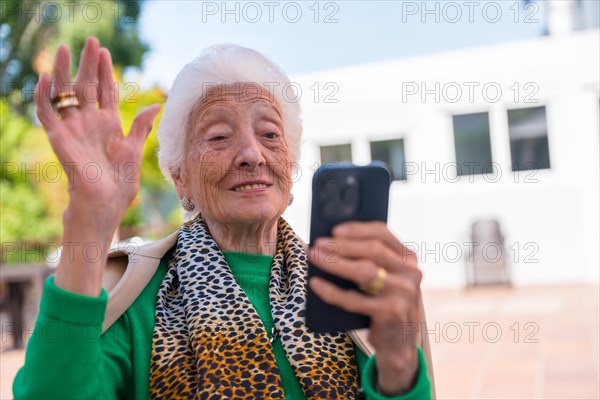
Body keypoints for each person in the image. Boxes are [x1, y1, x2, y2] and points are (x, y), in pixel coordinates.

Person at [13, 36, 433, 399]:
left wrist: (398, 366)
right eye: (218, 136)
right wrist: (89, 220)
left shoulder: (350, 284)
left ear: (289, 165)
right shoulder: (133, 298)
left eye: (270, 134)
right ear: (180, 178)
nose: (252, 155)